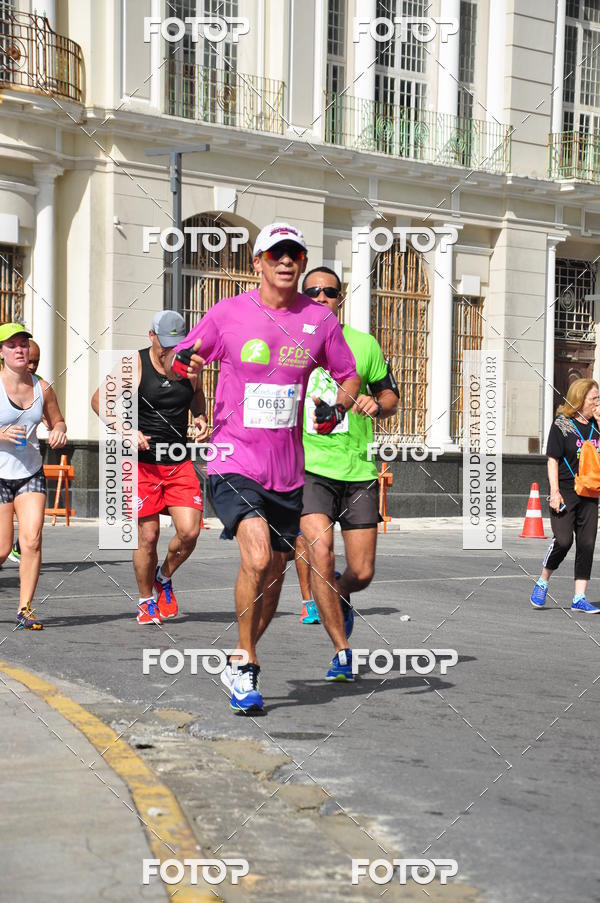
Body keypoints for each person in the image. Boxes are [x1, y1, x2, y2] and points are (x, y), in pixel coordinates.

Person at [167, 222, 360, 713]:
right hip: (233, 457)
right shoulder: (229, 312)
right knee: (255, 558)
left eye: (294, 253)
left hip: (288, 471)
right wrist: (185, 366)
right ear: (257, 263)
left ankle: (241, 657)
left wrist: (337, 407)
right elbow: (184, 357)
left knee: (273, 573)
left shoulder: (319, 320)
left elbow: (349, 374)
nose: (286, 261)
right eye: (275, 253)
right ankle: (245, 660)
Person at [296, 267, 398, 660]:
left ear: (340, 298)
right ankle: (342, 651)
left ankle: (337, 593)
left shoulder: (363, 344)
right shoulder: (288, 343)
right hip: (310, 469)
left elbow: (390, 396)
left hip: (358, 471)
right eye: (313, 292)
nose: (321, 297)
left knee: (363, 572)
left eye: (329, 292)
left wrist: (377, 404)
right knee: (321, 554)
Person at [92, 311, 209, 625]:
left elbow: (197, 399)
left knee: (190, 531)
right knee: (149, 535)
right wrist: (125, 430)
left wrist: (200, 418)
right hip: (143, 465)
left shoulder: (191, 365)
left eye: (177, 343)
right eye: (165, 343)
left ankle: (164, 576)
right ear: (151, 335)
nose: (170, 350)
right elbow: (99, 400)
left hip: (178, 462)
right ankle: (146, 601)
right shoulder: (135, 364)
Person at [0, 323, 67, 629]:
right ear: (1, 352)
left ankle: (24, 608)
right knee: (2, 549)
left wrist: (58, 432)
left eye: (23, 344)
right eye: (12, 345)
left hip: (29, 472)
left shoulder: (42, 387)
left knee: (32, 539)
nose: (19, 349)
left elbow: (58, 421)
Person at [531, 378, 600, 613]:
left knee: (587, 543)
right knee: (563, 541)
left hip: (590, 491)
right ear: (580, 399)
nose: (597, 402)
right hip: (565, 491)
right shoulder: (562, 424)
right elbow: (553, 459)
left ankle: (579, 597)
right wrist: (554, 492)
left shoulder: (597, 425)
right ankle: (542, 580)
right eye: (594, 399)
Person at [9, 338, 43, 565]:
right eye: (29, 361)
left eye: (36, 362)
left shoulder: (41, 385)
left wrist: (58, 426)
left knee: (33, 530)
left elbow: (56, 417)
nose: (31, 366)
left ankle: (21, 546)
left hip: (28, 462)